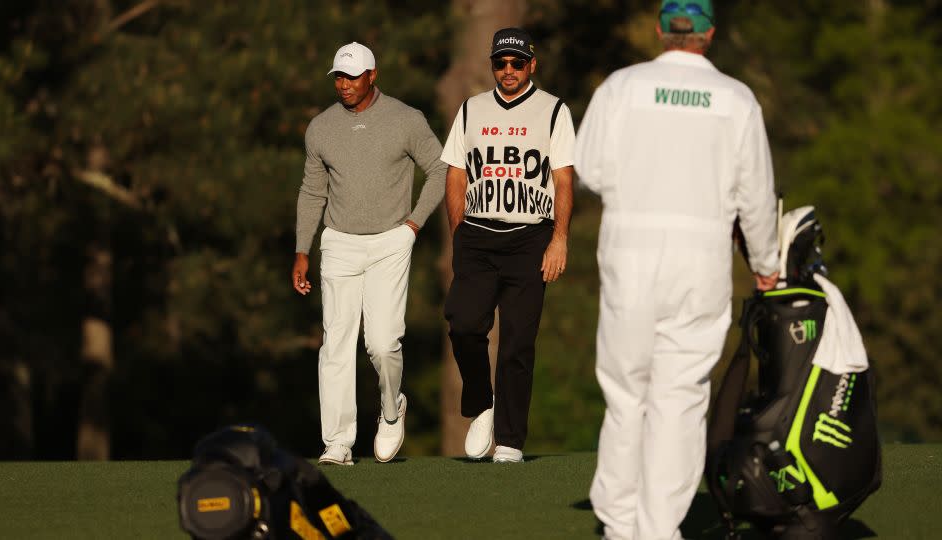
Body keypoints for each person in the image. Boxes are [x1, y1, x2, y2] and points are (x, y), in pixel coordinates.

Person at [574, 2, 779, 538]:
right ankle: (660, 527)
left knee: (626, 394)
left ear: (662, 29)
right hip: (700, 263)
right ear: (709, 33)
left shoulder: (621, 87)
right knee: (681, 398)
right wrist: (766, 265)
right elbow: (755, 197)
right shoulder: (737, 99)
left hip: (631, 256)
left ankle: (619, 525)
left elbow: (590, 169)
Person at [293, 42, 447, 465]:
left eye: (353, 76)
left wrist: (414, 223)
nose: (344, 85)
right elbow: (312, 191)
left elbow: (440, 168)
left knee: (381, 343)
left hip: (390, 240)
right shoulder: (321, 128)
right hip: (339, 241)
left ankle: (391, 407)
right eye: (339, 77)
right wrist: (301, 249)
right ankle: (338, 442)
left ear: (372, 75)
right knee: (335, 344)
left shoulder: (406, 119)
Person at [441, 28, 575, 464]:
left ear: (531, 65)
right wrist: (459, 231)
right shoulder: (470, 109)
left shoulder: (554, 110)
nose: (509, 71)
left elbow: (563, 178)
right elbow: (457, 173)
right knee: (463, 324)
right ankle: (481, 402)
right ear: (492, 66)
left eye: (517, 63)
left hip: (531, 237)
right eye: (501, 63)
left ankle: (511, 440)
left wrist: (559, 238)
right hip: (477, 235)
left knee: (518, 340)